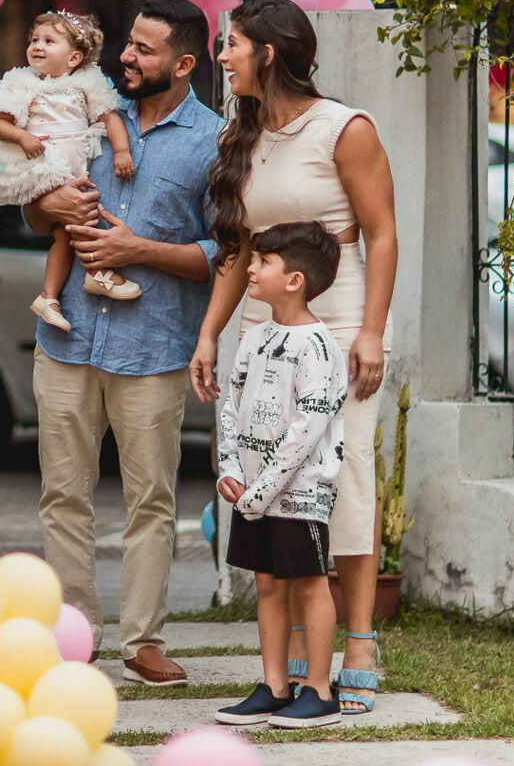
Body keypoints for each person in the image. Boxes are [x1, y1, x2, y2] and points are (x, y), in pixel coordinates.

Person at [189, 0, 398, 717]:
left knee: (345, 482)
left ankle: (361, 644)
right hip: (259, 324)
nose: (222, 57)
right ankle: (296, 667)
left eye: (232, 45)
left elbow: (382, 234)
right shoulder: (241, 137)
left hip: (338, 325)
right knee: (273, 484)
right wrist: (212, 334)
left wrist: (370, 333)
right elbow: (238, 250)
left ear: (269, 52)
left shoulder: (345, 129)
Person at [24, 0, 222, 687]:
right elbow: (32, 200)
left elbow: (223, 253)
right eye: (129, 44)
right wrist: (44, 205)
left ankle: (143, 642)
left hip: (155, 344)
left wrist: (139, 248)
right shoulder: (79, 108)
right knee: (63, 495)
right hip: (68, 337)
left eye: (144, 49)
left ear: (185, 63)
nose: (127, 57)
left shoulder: (214, 142)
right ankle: (73, 635)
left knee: (151, 501)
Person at [202, 220, 348, 730]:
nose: (250, 267)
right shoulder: (256, 337)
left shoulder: (320, 347)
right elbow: (231, 402)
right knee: (267, 585)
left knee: (309, 584)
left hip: (298, 496)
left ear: (294, 280)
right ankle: (275, 685)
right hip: (251, 494)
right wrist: (230, 468)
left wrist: (259, 492)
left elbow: (308, 429)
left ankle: (321, 690)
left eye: (262, 261)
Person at [0, 11, 136, 330]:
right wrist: (22, 137)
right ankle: (97, 273)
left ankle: (48, 297)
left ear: (74, 57)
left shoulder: (87, 83)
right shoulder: (20, 82)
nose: (37, 46)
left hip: (74, 166)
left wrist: (121, 151)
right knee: (84, 218)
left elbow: (110, 118)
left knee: (64, 237)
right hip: (42, 165)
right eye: (34, 40)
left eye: (49, 41)